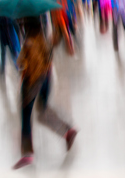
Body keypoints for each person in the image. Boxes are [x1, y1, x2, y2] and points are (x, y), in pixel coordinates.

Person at [12, 16, 77, 169]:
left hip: (32, 82)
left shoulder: (29, 43)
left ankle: (27, 154)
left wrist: (20, 58)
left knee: (26, 116)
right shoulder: (43, 39)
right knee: (42, 111)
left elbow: (22, 63)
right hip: (46, 79)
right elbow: (48, 55)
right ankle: (67, 131)